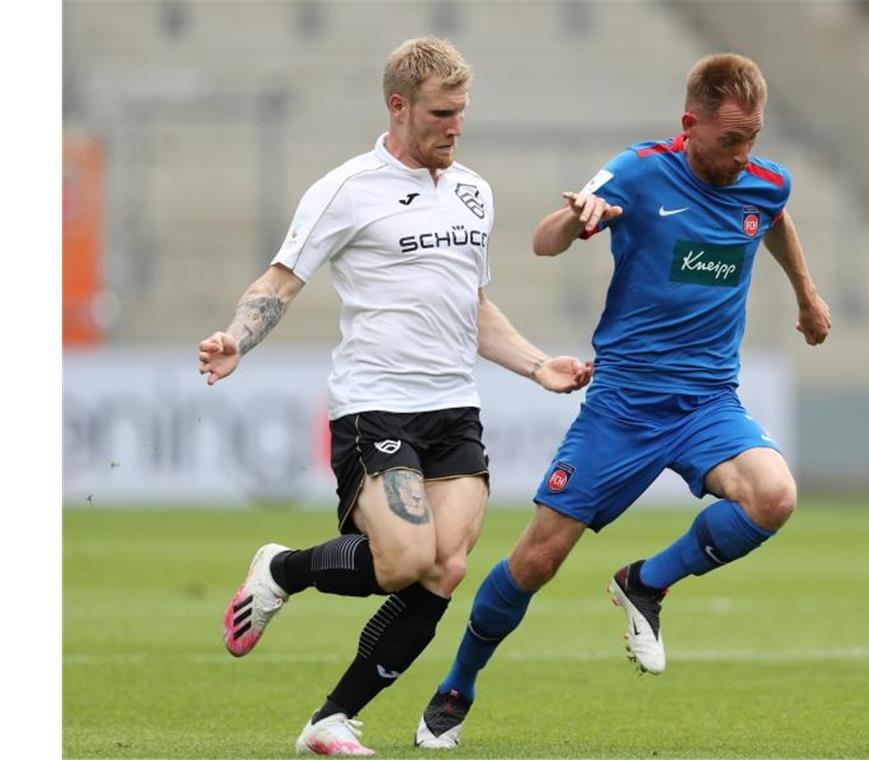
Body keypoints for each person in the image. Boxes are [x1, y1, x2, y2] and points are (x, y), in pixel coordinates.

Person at [413, 52, 831, 749]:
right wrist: (577, 220)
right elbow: (544, 242)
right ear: (689, 124)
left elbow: (776, 215)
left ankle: (646, 584)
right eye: (730, 139)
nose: (743, 154)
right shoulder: (638, 172)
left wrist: (808, 297)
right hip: (625, 406)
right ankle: (458, 683)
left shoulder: (762, 181)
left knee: (774, 495)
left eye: (753, 138)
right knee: (536, 562)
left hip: (706, 405)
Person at [198, 37, 592, 758]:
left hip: (453, 411)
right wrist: (235, 338)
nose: (455, 126)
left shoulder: (473, 191)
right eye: (442, 113)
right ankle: (283, 569)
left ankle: (331, 720)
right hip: (373, 408)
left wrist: (538, 367)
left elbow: (471, 306)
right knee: (405, 559)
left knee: (445, 567)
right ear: (399, 106)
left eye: (463, 113)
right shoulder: (347, 189)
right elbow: (280, 280)